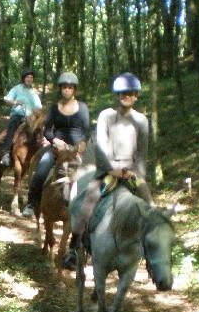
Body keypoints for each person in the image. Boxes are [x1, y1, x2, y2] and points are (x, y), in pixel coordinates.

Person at [62, 72, 154, 270]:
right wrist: (112, 170)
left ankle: (152, 253)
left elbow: (142, 154)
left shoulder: (142, 121)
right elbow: (101, 147)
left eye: (129, 93)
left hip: (132, 173)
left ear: (136, 95)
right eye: (121, 93)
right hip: (107, 170)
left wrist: (137, 175)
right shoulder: (106, 115)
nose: (125, 96)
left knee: (150, 207)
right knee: (88, 202)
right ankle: (74, 247)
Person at [21, 71, 90, 218]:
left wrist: (82, 143)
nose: (67, 89)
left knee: (93, 174)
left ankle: (91, 210)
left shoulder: (83, 107)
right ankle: (32, 203)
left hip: (76, 148)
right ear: (60, 89)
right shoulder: (54, 108)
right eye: (64, 87)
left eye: (70, 87)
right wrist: (55, 140)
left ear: (74, 89)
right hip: (57, 148)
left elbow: (86, 130)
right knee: (41, 171)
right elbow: (46, 130)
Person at [0, 68, 42, 167]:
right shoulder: (17, 88)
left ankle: (39, 154)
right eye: (27, 77)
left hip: (31, 117)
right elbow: (7, 100)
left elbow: (38, 108)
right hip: (17, 115)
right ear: (23, 78)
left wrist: (38, 113)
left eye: (31, 77)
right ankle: (6, 154)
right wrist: (15, 102)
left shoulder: (34, 93)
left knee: (40, 131)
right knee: (12, 127)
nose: (30, 79)